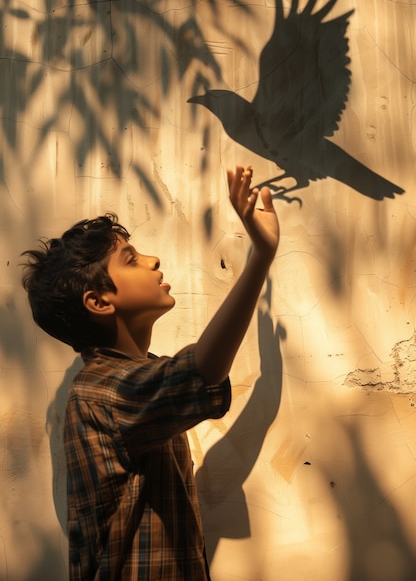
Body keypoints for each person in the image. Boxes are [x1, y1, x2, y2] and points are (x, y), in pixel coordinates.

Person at [21, 165, 280, 581]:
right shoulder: (98, 392)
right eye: (131, 259)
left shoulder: (132, 379)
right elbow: (201, 371)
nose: (153, 259)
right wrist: (260, 258)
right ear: (100, 302)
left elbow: (192, 375)